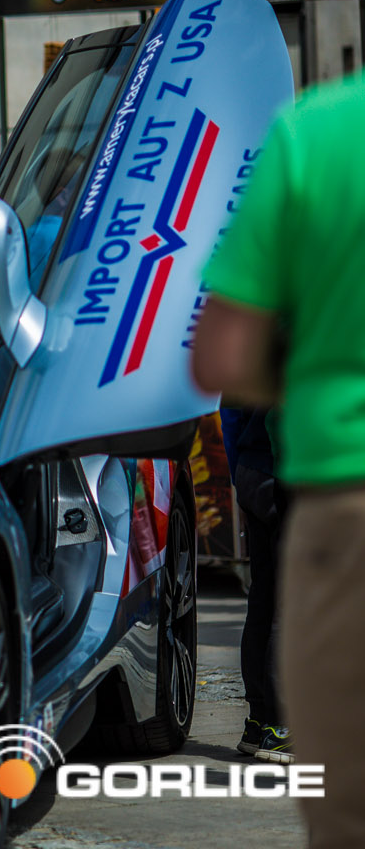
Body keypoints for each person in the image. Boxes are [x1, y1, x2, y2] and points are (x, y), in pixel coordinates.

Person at [191, 73, 365, 848]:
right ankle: (267, 724)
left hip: (330, 479)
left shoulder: (311, 134)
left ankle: (272, 726)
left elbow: (220, 358)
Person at [219, 407, 290, 762]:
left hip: (251, 469)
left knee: (263, 598)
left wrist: (240, 471)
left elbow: (230, 414)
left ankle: (258, 722)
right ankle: (281, 726)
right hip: (285, 470)